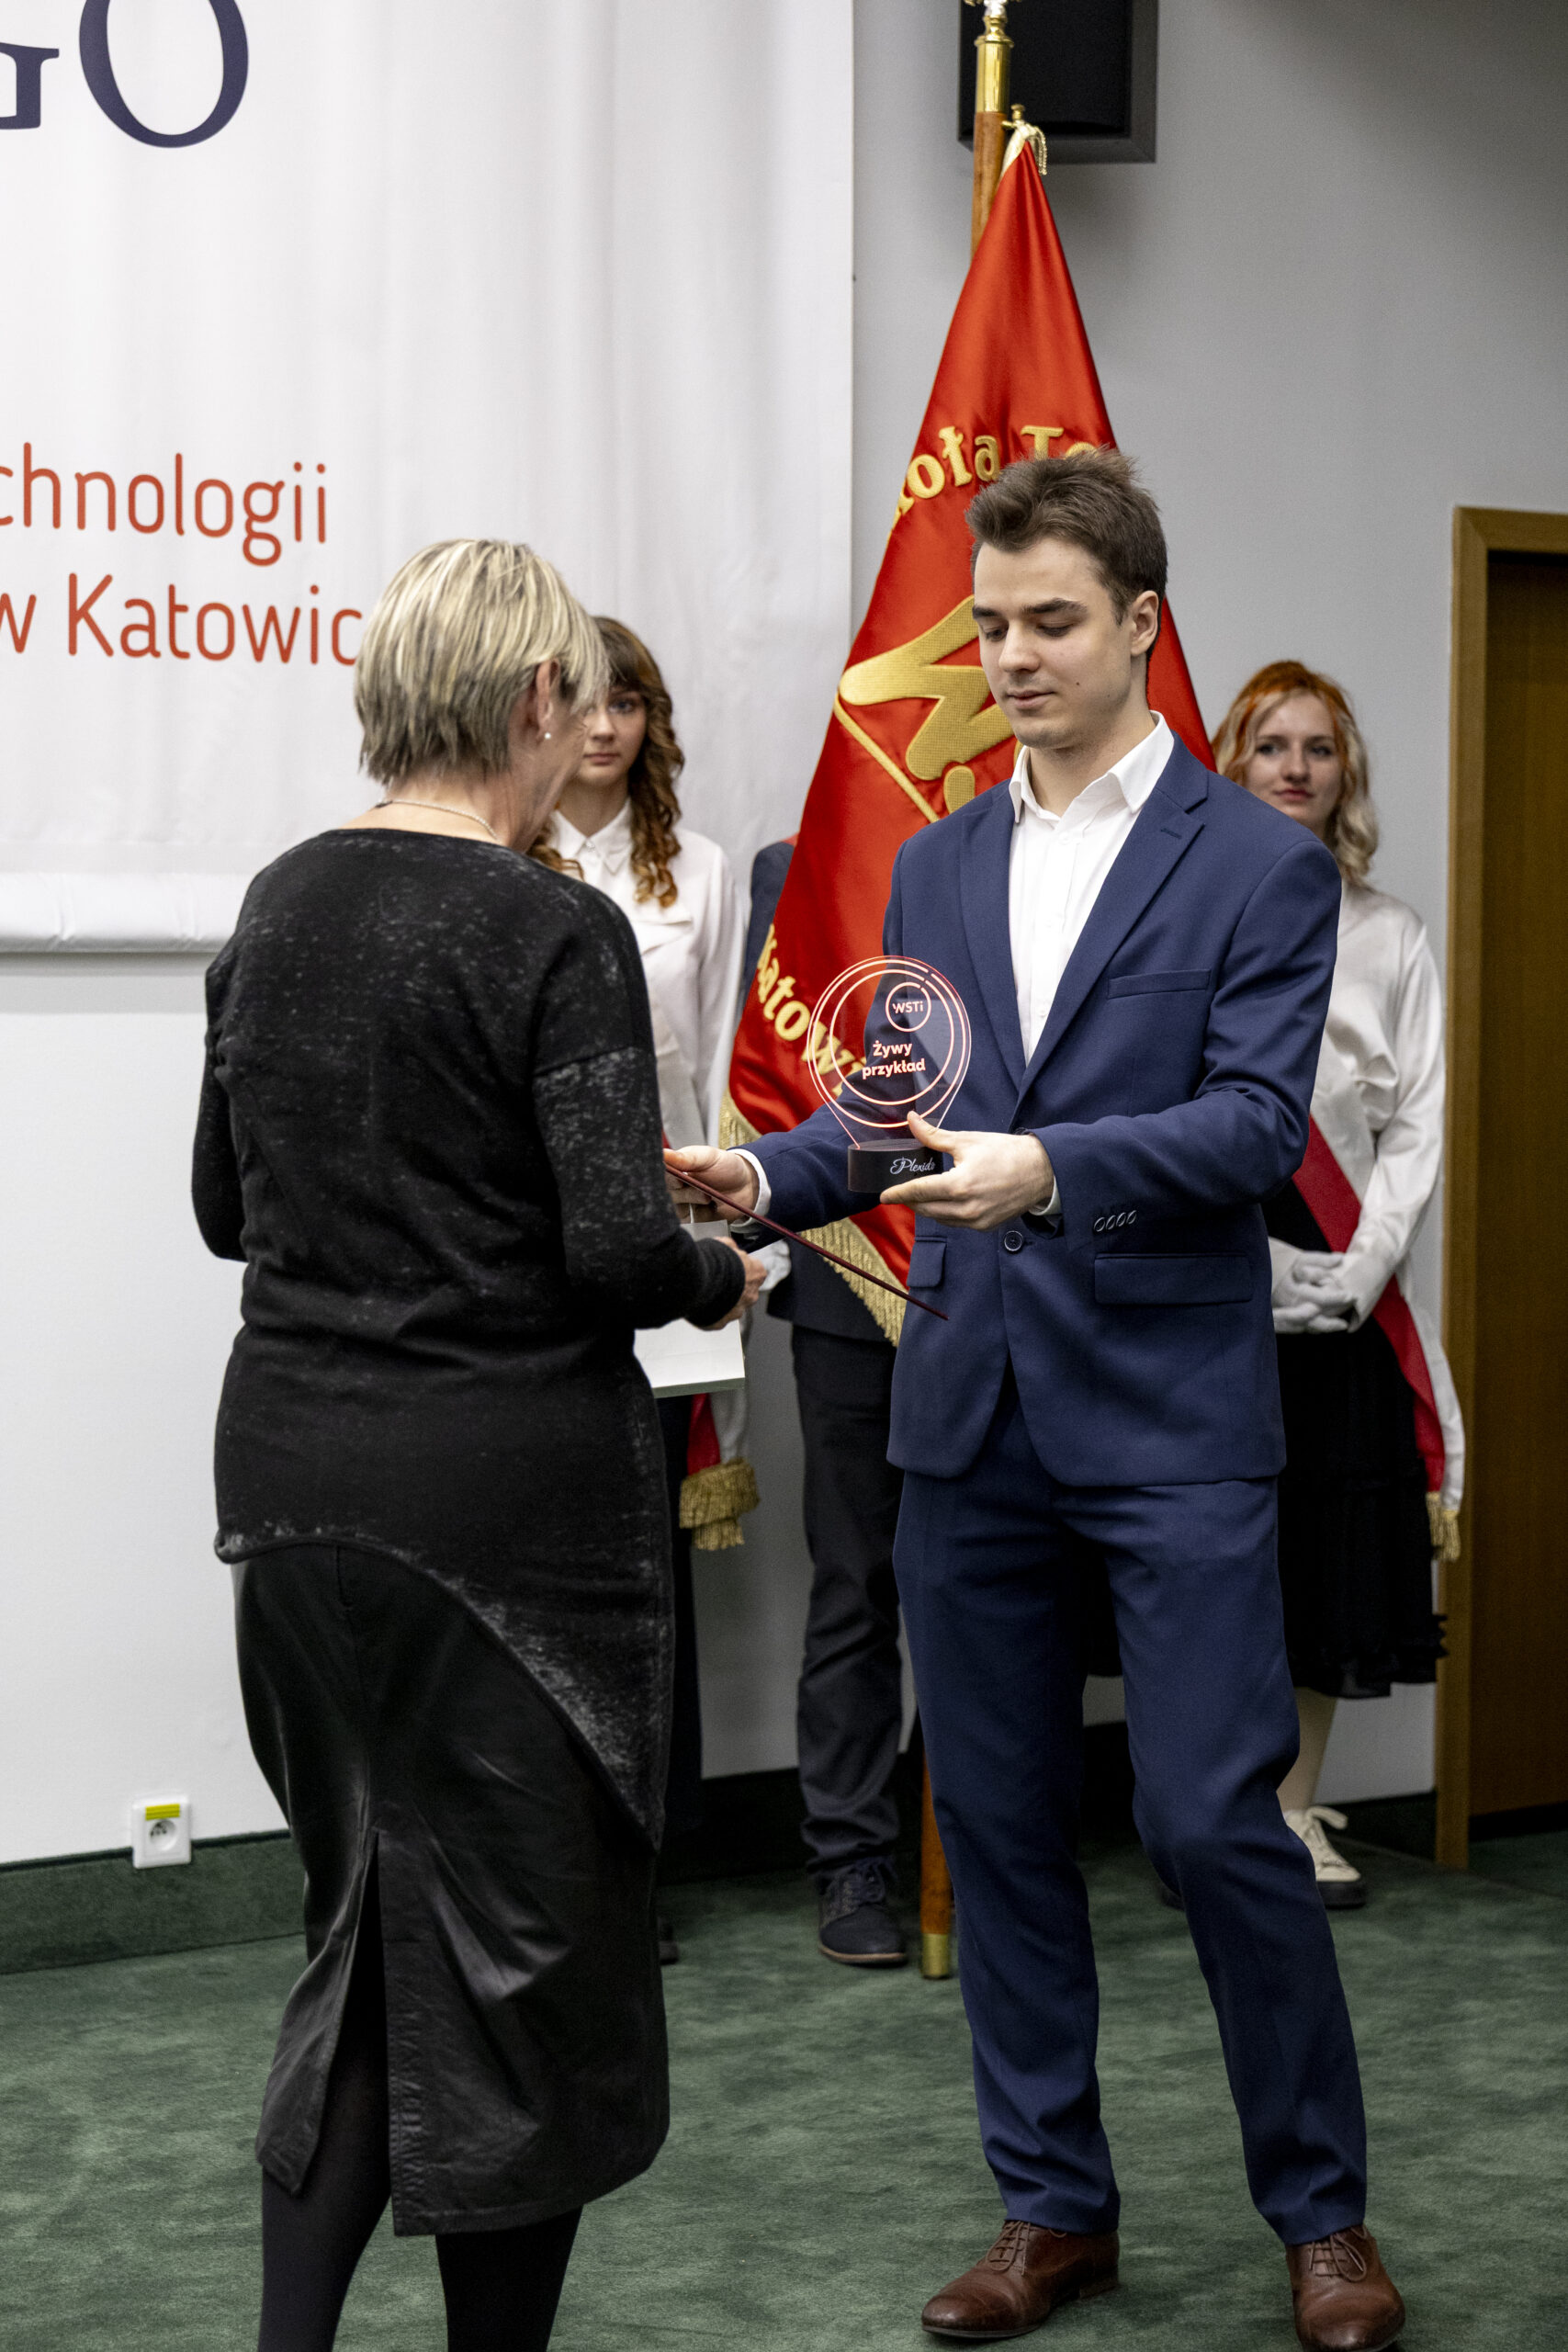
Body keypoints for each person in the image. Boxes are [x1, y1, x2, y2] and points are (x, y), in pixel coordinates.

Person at [669, 452, 1407, 2351]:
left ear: (1140, 624)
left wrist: (1053, 1168)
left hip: (1170, 1416)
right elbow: (900, 1112)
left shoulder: (1254, 861)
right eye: (988, 623)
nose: (1007, 654)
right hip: (971, 1411)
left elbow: (1253, 1126)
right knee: (993, 1822)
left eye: (1049, 620)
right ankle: (1048, 2207)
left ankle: (1320, 2216)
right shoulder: (936, 859)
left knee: (1210, 1822)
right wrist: (763, 1175)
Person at [192, 539, 763, 2352]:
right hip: (503, 1533)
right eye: (574, 695)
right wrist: (726, 1259)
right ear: (531, 700)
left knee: (367, 1953)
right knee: (526, 1994)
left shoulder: (277, 899)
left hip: (290, 1500)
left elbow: (226, 1208)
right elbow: (616, 1261)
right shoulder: (551, 925)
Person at [1214, 661, 1461, 1908]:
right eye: (1272, 745)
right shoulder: (1188, 919)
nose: (1295, 767)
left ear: (1343, 772)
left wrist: (1365, 1266)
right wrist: (1241, 1258)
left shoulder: (1389, 933)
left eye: (1317, 748)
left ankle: (1289, 1809)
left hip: (1348, 1276)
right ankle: (1207, 1813)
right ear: (1233, 761)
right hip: (1214, 1274)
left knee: (1324, 1559)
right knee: (1222, 1561)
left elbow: (1416, 1120)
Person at [542, 618, 748, 1939]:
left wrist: (731, 1242)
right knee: (553, 1560)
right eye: (585, 702)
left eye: (629, 703)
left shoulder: (705, 872)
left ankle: (647, 1865)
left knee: (652, 1575)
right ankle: (556, 1862)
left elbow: (724, 1066)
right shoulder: (506, 859)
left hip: (666, 1243)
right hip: (544, 1254)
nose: (606, 727)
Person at [744, 840, 910, 1967]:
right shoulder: (799, 865)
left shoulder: (1032, 853)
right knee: (856, 1579)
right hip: (850, 1279)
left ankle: (981, 1842)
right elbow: (774, 1065)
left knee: (1001, 1584)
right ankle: (854, 1857)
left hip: (995, 1271)